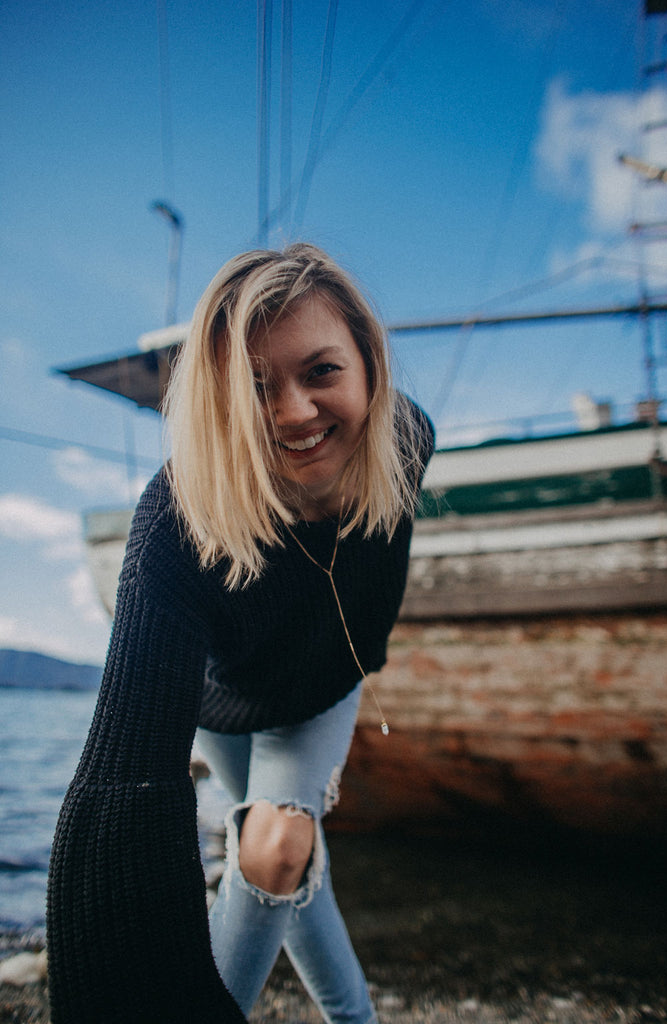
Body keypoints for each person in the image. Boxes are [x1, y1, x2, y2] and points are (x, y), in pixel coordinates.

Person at [46, 243, 434, 1024]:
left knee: (277, 845)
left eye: (321, 371)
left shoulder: (406, 440)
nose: (293, 411)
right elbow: (126, 775)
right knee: (283, 854)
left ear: (369, 366)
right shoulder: (175, 520)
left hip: (323, 687)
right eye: (254, 387)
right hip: (220, 708)